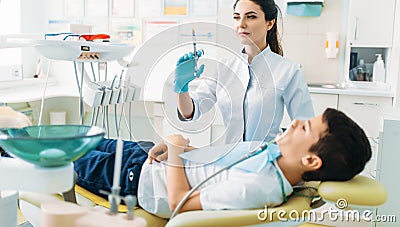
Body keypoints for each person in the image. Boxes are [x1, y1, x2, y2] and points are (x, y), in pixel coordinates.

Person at [74, 108, 371, 219]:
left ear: (310, 159)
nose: (294, 122)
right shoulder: (270, 156)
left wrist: (177, 149)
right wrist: (177, 147)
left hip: (136, 180)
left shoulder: (258, 186)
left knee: (59, 155)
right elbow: (212, 164)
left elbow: (178, 202)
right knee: (77, 135)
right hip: (148, 157)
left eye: (305, 128)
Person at [173, 0, 314, 146]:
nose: (241, 24)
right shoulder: (224, 68)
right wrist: (182, 89)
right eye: (237, 17)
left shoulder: (288, 71)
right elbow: (191, 112)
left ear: (270, 23)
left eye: (251, 17)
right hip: (230, 159)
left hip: (267, 160)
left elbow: (305, 126)